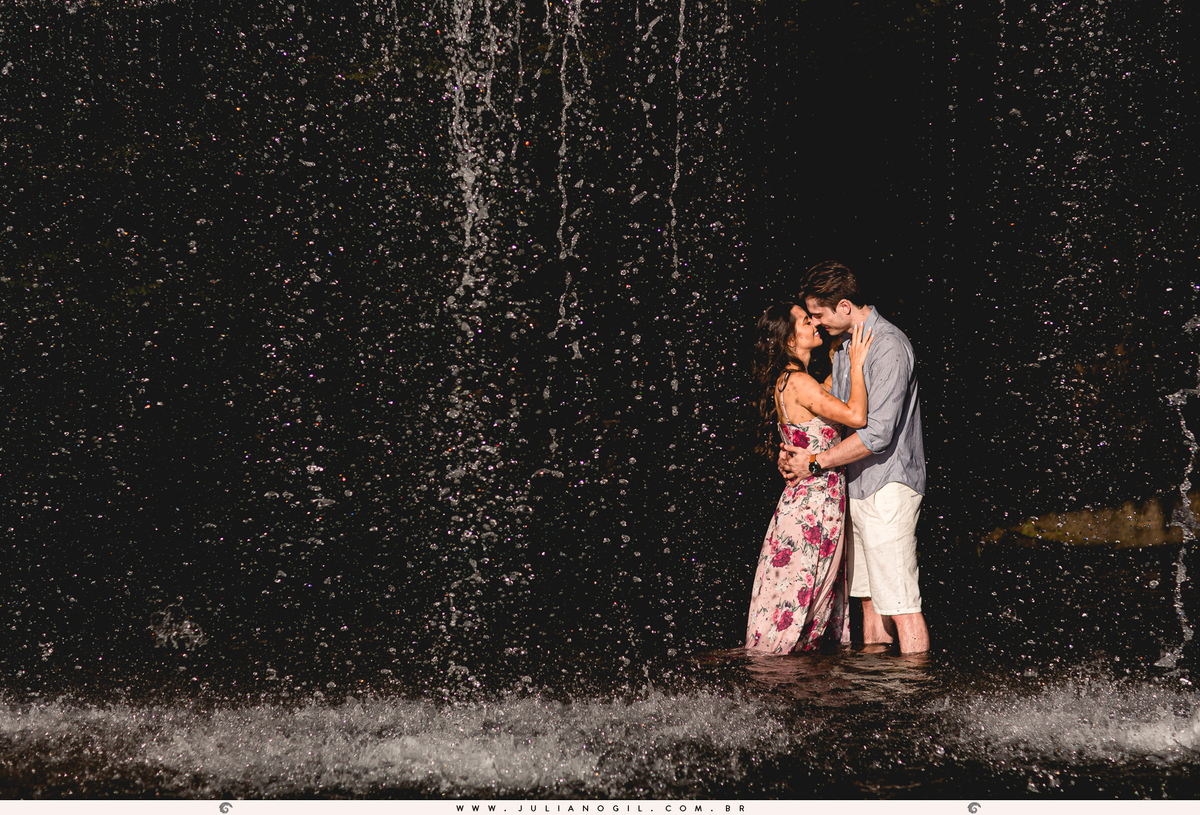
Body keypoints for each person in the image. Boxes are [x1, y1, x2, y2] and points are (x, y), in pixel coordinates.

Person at [781, 261, 929, 654]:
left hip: (888, 487)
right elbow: (832, 413)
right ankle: (877, 687)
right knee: (869, 602)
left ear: (844, 306)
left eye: (818, 314)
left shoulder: (888, 346)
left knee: (902, 605)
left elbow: (877, 434)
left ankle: (916, 688)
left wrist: (815, 462)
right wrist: (795, 447)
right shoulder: (846, 348)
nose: (816, 323)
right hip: (856, 486)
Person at [745, 302, 873, 654]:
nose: (815, 323)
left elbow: (823, 401)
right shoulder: (799, 382)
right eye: (806, 320)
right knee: (800, 600)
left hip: (807, 502)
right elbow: (856, 416)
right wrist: (857, 365)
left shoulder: (790, 381)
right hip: (814, 507)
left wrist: (836, 360)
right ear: (789, 340)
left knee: (798, 599)